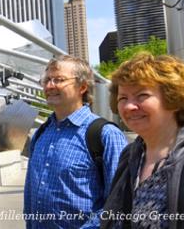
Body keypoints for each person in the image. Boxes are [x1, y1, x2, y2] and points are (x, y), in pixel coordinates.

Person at [101, 53, 184, 228]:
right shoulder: (130, 155)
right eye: (123, 98)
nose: (129, 106)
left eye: (142, 95)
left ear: (175, 98)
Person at [25, 55, 127, 228]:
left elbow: (119, 202)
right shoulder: (41, 133)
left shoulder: (104, 135)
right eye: (47, 80)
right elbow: (30, 192)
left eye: (59, 80)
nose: (50, 86)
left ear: (82, 87)